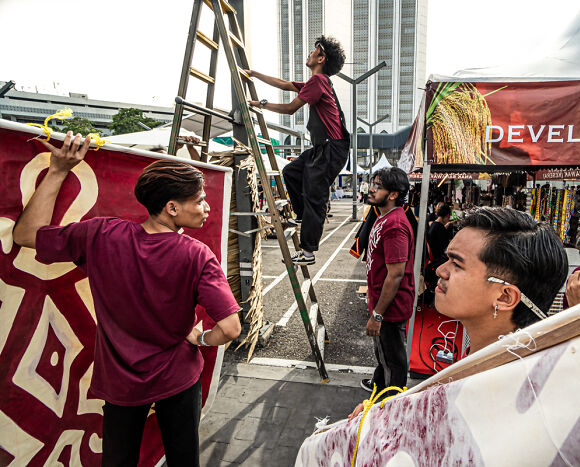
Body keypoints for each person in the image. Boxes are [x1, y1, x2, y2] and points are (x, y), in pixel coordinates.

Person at [13, 132, 242, 467]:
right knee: (183, 459)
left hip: (120, 385)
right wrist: (202, 338)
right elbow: (231, 328)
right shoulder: (197, 255)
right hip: (178, 379)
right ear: (172, 207)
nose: (207, 207)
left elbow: (25, 235)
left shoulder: (101, 235)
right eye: (200, 200)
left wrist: (59, 170)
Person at [349, 207, 567, 419]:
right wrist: (389, 417)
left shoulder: (505, 398)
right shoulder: (492, 364)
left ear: (504, 297)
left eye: (457, 264)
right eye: (448, 259)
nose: (440, 270)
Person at [245, 36, 349, 266]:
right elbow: (284, 84)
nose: (310, 54)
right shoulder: (315, 82)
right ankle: (301, 216)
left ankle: (308, 252)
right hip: (322, 147)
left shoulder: (319, 81)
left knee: (315, 194)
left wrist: (261, 105)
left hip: (332, 148)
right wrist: (254, 73)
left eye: (315, 51)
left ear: (321, 58)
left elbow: (291, 109)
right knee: (292, 172)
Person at [361, 167, 415, 394]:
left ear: (393, 194)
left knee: (393, 360)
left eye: (378, 186)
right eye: (372, 183)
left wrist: (377, 315)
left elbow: (396, 274)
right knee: (384, 353)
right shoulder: (383, 216)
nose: (371, 189)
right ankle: (378, 385)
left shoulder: (395, 226)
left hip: (389, 309)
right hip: (381, 303)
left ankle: (391, 402)